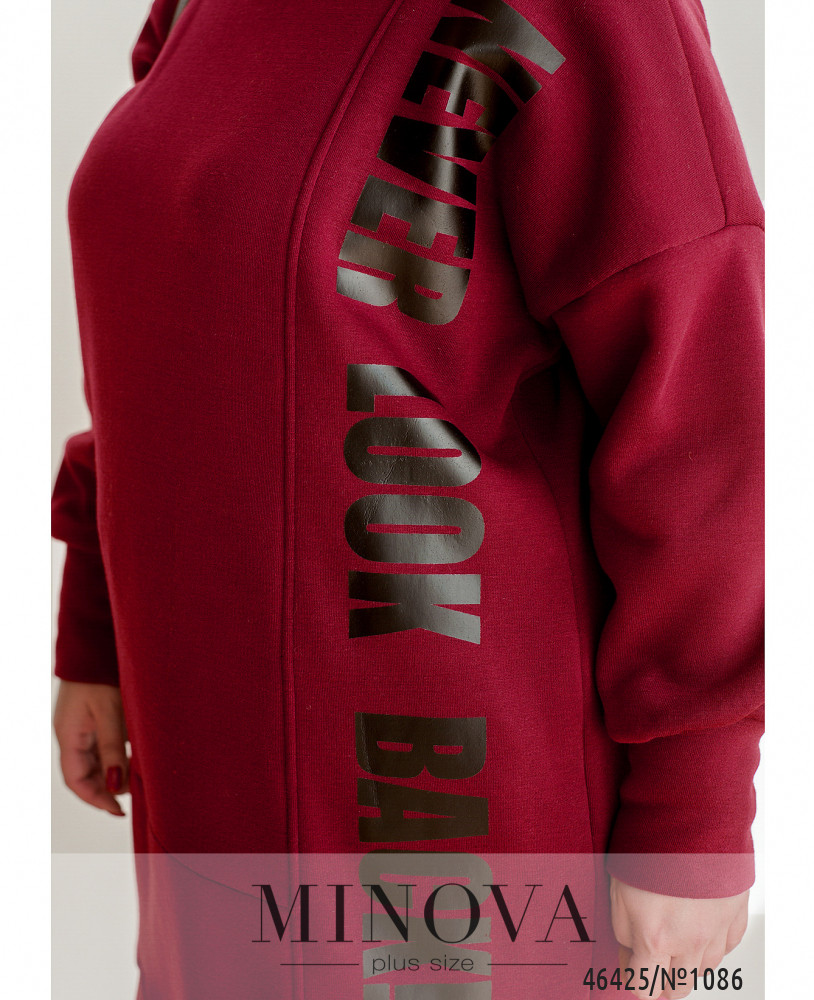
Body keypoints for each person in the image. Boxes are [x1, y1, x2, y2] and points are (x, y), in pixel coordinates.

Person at [52, 0, 764, 996]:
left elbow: (704, 422)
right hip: (206, 779)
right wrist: (96, 627)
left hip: (443, 826)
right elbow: (169, 296)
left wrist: (694, 813)